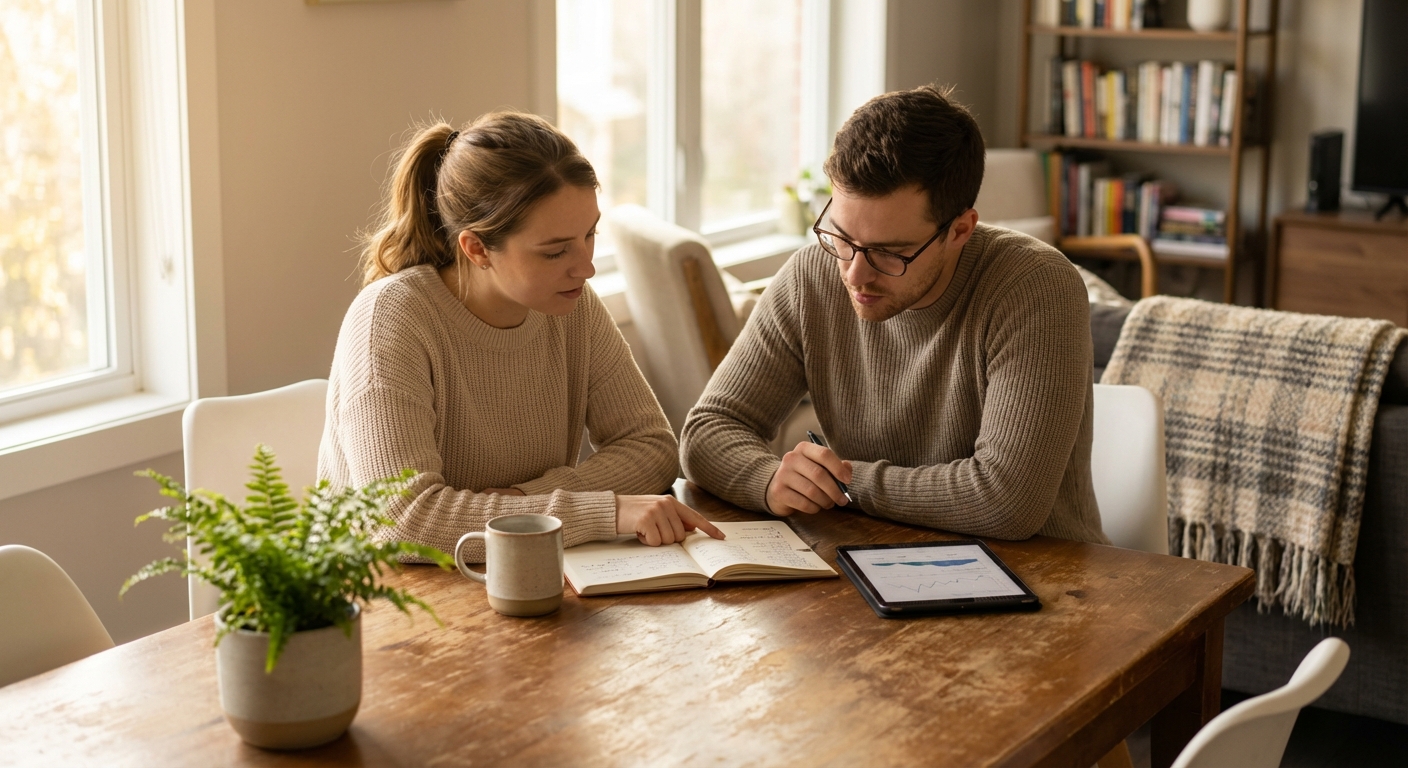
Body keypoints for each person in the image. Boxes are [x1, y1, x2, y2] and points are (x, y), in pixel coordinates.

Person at [680, 85, 1107, 544]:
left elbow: (1007, 502)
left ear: (960, 230)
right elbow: (708, 431)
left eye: (889, 252)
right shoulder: (812, 276)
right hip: (864, 553)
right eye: (841, 236)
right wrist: (769, 480)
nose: (854, 274)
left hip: (1041, 570)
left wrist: (839, 484)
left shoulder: (1035, 286)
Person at [319, 112, 724, 561]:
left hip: (520, 569)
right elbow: (402, 519)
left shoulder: (571, 305)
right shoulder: (390, 319)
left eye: (589, 235)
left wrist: (525, 500)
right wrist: (603, 512)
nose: (586, 267)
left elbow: (652, 448)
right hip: (384, 588)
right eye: (555, 251)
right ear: (476, 248)